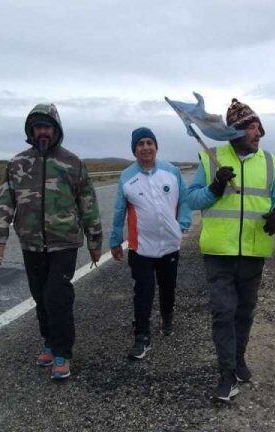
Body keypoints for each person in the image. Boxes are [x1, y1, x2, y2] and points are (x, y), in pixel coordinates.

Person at [0, 103, 102, 380]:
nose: (43, 132)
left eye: (47, 127)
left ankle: (62, 353)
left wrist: (95, 241)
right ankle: (49, 341)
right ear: (31, 130)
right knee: (40, 296)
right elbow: (5, 202)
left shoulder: (72, 163)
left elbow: (88, 204)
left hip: (64, 243)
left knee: (57, 296)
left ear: (56, 130)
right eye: (38, 127)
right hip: (31, 244)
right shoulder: (17, 164)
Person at [186, 98, 275, 402]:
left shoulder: (269, 162)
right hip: (219, 252)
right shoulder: (211, 159)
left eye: (259, 128)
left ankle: (239, 357)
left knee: (244, 312)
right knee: (223, 313)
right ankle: (226, 374)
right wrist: (216, 187)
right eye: (252, 128)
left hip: (254, 251)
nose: (258, 134)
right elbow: (192, 201)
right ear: (234, 132)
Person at [110, 127, 191, 360]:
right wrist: (115, 240)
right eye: (140, 144)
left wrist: (183, 222)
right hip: (141, 247)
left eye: (149, 143)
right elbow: (118, 211)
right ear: (134, 150)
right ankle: (142, 337)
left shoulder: (171, 171)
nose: (145, 147)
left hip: (169, 245)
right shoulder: (127, 177)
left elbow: (184, 200)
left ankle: (167, 317)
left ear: (156, 146)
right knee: (143, 292)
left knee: (168, 288)